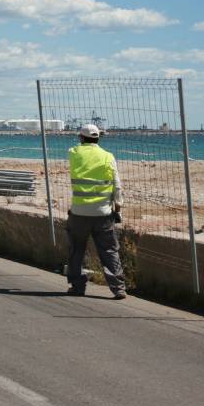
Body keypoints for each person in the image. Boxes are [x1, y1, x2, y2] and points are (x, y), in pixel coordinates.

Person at [66, 123, 126, 299]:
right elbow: (117, 184)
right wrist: (118, 205)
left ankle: (77, 286)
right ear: (99, 137)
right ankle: (118, 288)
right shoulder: (108, 156)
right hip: (103, 213)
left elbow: (76, 148)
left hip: (79, 212)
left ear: (81, 138)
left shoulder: (74, 153)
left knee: (76, 250)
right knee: (109, 251)